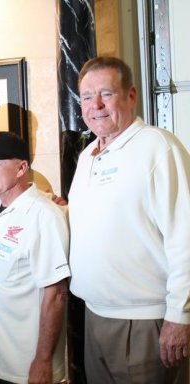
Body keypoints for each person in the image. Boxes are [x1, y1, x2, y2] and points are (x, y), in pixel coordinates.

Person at [68, 56, 190, 383]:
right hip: (95, 316)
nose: (95, 105)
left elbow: (185, 237)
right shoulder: (87, 156)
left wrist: (180, 316)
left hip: (144, 323)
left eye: (106, 93)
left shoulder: (158, 147)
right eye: (86, 96)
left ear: (131, 95)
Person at [0, 131, 70, 384]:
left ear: (21, 168)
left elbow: (56, 293)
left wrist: (43, 361)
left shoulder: (43, 215)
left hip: (27, 367)